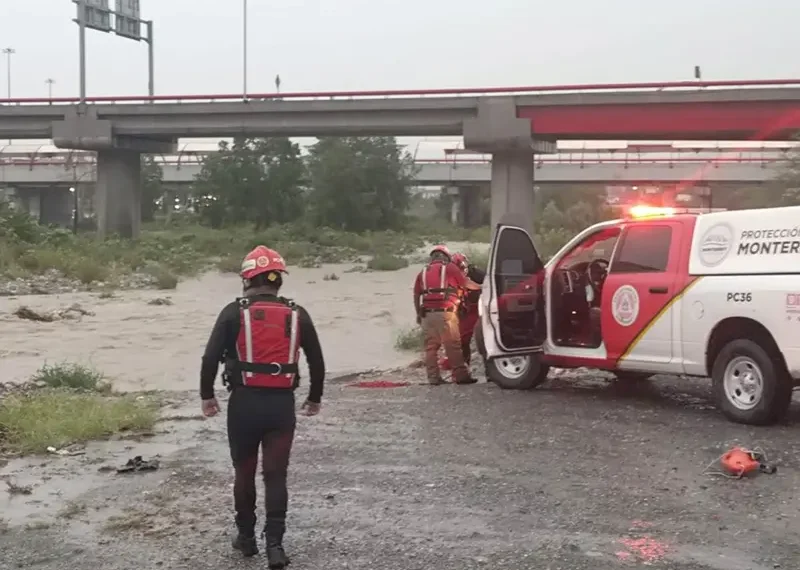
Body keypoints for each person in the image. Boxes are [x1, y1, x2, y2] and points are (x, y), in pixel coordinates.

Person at [200, 245, 325, 569]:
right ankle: (275, 546)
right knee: (275, 475)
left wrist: (207, 396)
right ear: (278, 280)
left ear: (247, 279)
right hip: (281, 406)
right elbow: (317, 360)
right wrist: (314, 398)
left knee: (243, 472)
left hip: (244, 405)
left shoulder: (233, 311)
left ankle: (246, 539)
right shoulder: (298, 313)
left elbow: (210, 358)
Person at [413, 245, 481, 385]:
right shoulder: (450, 268)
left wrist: (418, 314)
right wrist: (483, 287)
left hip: (427, 315)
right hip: (446, 313)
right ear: (446, 256)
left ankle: (433, 378)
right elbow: (465, 283)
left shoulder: (423, 272)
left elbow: (416, 294)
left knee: (431, 348)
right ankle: (461, 376)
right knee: (453, 345)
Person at [451, 252, 485, 365]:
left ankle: (488, 370)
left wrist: (481, 288)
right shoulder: (451, 277)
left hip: (479, 310)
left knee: (484, 339)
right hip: (464, 312)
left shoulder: (476, 273)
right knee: (462, 342)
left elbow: (490, 284)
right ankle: (465, 367)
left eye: (462, 267)